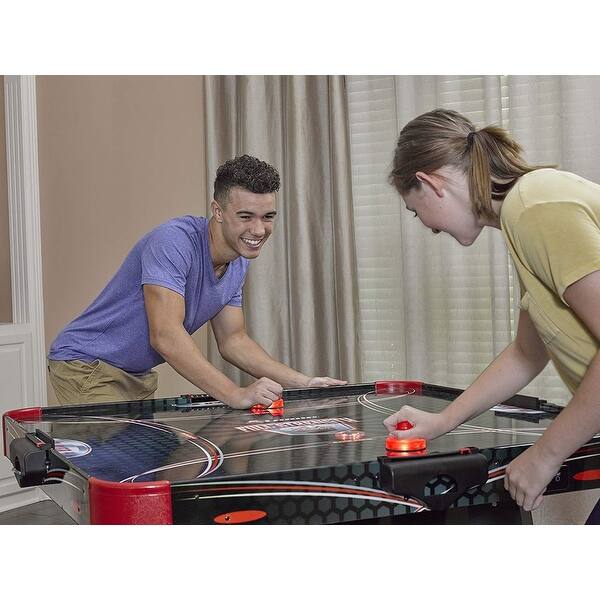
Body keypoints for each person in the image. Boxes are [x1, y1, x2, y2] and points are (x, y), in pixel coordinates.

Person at [384, 108, 600, 522]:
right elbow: (527, 353)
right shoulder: (526, 213)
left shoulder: (535, 207)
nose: (426, 225)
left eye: (415, 210)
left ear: (430, 183)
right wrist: (442, 421)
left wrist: (545, 455)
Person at [48, 154, 346, 408]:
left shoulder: (238, 260)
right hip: (87, 363)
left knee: (149, 456)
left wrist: (304, 382)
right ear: (218, 211)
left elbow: (233, 341)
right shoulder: (173, 242)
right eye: (246, 217)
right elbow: (165, 335)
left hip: (136, 374)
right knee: (123, 457)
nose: (258, 230)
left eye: (267, 217)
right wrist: (235, 394)